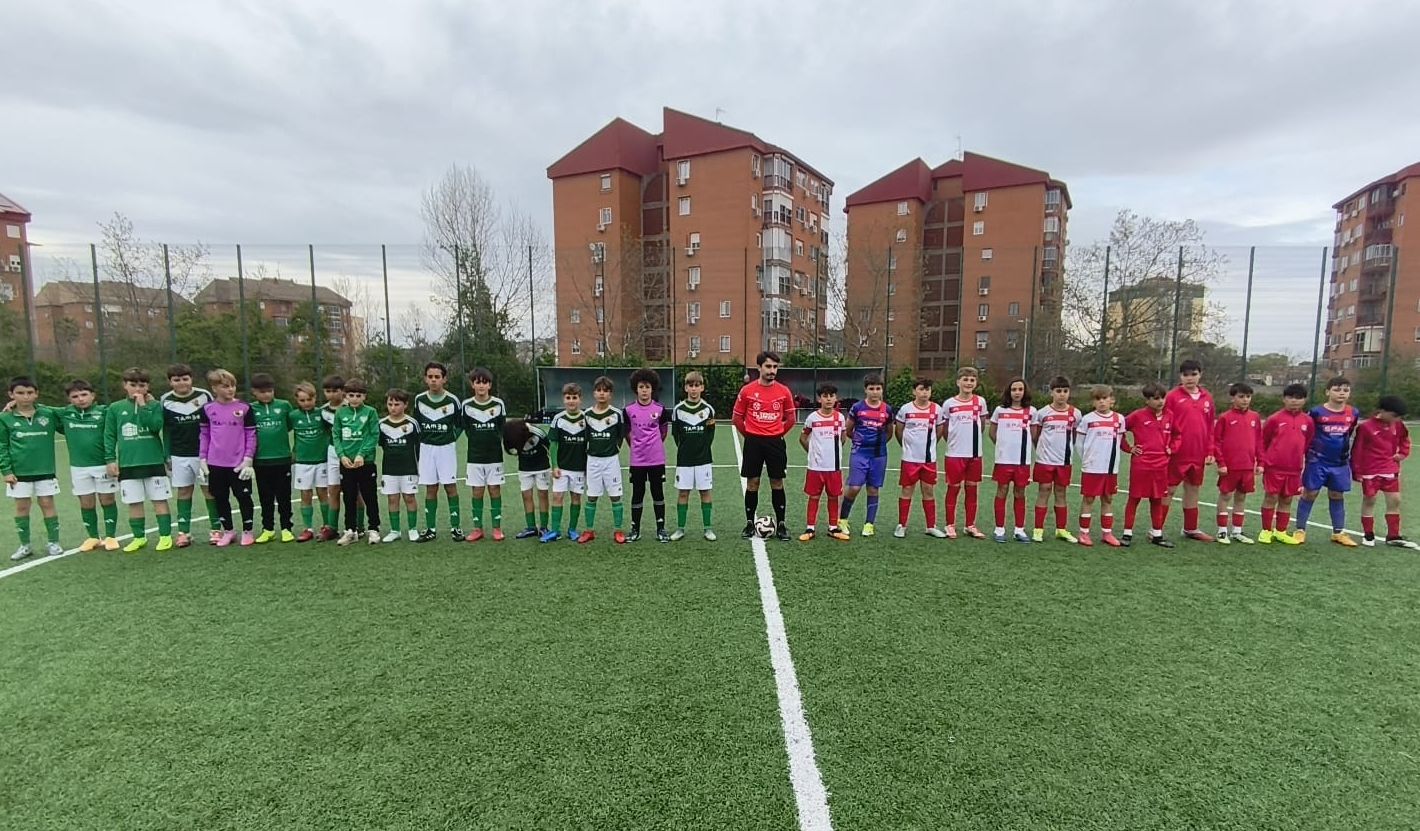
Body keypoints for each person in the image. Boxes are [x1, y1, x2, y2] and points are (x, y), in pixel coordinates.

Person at [104, 368, 174, 553]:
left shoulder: (155, 405)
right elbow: (109, 435)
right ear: (124, 385)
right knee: (134, 502)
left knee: (159, 500)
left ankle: (165, 537)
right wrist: (110, 459)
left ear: (148, 386)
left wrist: (144, 405)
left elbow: (155, 426)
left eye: (141, 385)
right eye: (132, 384)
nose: (137, 388)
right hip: (128, 463)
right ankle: (139, 537)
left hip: (153, 461)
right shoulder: (115, 408)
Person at [733, 351, 796, 541]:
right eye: (768, 367)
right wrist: (751, 435)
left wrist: (776, 434)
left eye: (775, 367)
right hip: (753, 442)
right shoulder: (747, 391)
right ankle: (750, 523)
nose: (772, 371)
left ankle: (782, 524)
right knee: (753, 482)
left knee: (777, 482)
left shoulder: (784, 391)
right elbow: (737, 418)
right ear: (759, 367)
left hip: (775, 442)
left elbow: (791, 419)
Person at [1295, 376, 1361, 547]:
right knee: (1310, 493)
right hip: (1317, 461)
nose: (1341, 393)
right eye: (1337, 390)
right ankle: (1300, 530)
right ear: (1328, 392)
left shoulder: (1353, 413)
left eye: (1345, 390)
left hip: (1339, 462)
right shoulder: (1316, 412)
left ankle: (1338, 532)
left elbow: (1349, 433)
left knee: (1337, 494)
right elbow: (1308, 433)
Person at [1, 377, 63, 560]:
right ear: (11, 394)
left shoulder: (48, 414)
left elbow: (68, 412)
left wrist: (42, 405)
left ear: (37, 394)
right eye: (20, 393)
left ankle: (54, 542)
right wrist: (6, 470)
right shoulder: (5, 418)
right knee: (22, 507)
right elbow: (2, 446)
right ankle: (25, 545)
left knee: (47, 504)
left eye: (30, 393)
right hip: (19, 473)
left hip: (45, 470)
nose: (25, 397)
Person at [58, 380, 120, 551]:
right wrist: (13, 405)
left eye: (84, 394)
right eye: (75, 396)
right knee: (86, 502)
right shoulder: (65, 413)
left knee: (107, 499)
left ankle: (110, 536)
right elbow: (37, 409)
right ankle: (93, 537)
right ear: (69, 399)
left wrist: (111, 460)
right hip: (78, 467)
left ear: (93, 396)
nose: (80, 399)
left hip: (102, 464)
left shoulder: (105, 412)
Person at [199, 369, 257, 547]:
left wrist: (248, 459)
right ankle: (228, 531)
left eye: (232, 385)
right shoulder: (207, 410)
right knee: (220, 498)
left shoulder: (245, 409)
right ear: (214, 388)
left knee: (244, 497)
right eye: (225, 386)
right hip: (216, 463)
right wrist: (203, 459)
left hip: (238, 464)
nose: (230, 389)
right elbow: (204, 434)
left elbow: (251, 435)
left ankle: (248, 531)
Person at [161, 363, 216, 546]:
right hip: (179, 455)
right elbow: (166, 430)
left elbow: (212, 424)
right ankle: (184, 532)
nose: (181, 383)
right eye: (176, 380)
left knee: (209, 490)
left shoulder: (204, 395)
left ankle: (216, 530)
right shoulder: (165, 400)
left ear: (191, 379)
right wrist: (166, 455)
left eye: (185, 379)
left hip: (204, 454)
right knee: (184, 491)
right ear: (170, 382)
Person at [1351, 395, 1415, 548]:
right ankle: (1368, 534)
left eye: (1399, 417)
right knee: (1370, 500)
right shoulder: (1366, 427)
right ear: (1382, 411)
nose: (1397, 419)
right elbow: (1357, 449)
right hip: (1370, 470)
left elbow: (1404, 440)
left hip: (1390, 468)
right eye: (1394, 416)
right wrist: (1357, 471)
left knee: (1395, 500)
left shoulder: (1398, 425)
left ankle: (1393, 535)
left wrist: (1402, 454)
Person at [1164, 359, 1217, 542]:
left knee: (1193, 489)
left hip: (1198, 453)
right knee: (1169, 489)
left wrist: (1210, 450)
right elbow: (1165, 423)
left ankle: (1191, 528)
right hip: (1177, 453)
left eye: (1193, 374)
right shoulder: (1172, 397)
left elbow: (1210, 426)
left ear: (1200, 375)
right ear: (1180, 376)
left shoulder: (1207, 398)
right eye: (1186, 375)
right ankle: (1157, 529)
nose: (1189, 378)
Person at [1121, 383, 1177, 548]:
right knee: (1134, 498)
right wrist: (1129, 448)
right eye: (1156, 398)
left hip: (1161, 466)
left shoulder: (1170, 416)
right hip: (1141, 465)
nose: (1161, 401)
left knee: (1157, 499)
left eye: (1163, 398)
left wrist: (1171, 448)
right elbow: (1118, 429)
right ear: (1147, 400)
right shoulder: (1138, 416)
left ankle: (1157, 534)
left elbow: (1178, 435)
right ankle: (1127, 533)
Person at [413, 362, 463, 542]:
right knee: (431, 488)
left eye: (437, 377)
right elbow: (417, 425)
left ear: (444, 379)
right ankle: (430, 529)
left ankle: (456, 528)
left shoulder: (452, 400)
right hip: (426, 449)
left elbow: (459, 425)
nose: (434, 380)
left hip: (446, 449)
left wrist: (448, 439)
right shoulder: (419, 399)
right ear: (425, 378)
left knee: (451, 487)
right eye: (430, 377)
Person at [839, 374, 892, 537]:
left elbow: (889, 432)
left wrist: (879, 443)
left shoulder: (887, 409)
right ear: (865, 390)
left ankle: (869, 524)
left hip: (879, 454)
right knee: (854, 487)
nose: (875, 392)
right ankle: (842, 520)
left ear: (882, 390)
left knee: (873, 489)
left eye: (878, 389)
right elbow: (848, 430)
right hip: (860, 453)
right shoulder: (857, 408)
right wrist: (859, 441)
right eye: (871, 389)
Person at [1258, 383, 1311, 545]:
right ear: (1284, 399)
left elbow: (1307, 442)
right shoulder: (1275, 419)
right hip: (1274, 466)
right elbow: (1263, 441)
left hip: (1294, 468)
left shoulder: (1307, 421)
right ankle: (1266, 531)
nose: (1294, 401)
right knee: (1271, 497)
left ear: (1304, 400)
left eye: (1298, 398)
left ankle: (1281, 531)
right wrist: (1265, 461)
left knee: (1287, 499)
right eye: (1290, 397)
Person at [941, 366, 990, 539]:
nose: (968, 383)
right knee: (953, 489)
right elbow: (945, 428)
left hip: (975, 454)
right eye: (965, 379)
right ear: (958, 382)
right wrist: (955, 443)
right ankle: (950, 524)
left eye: (972, 380)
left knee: (972, 489)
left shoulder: (980, 402)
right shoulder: (949, 404)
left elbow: (982, 425)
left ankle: (970, 525)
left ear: (976, 383)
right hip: (955, 454)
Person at [1076, 384, 1126, 548]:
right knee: (1089, 498)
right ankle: (1084, 533)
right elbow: (1079, 443)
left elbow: (1120, 441)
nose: (1102, 402)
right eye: (1098, 399)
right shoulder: (1088, 419)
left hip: (1111, 467)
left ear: (1112, 400)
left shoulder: (1119, 419)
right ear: (1093, 402)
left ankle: (1107, 533)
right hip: (1092, 467)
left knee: (1108, 498)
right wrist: (1086, 460)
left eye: (1105, 398)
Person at [1030, 376, 1080, 543]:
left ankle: (1061, 529)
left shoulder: (1075, 413)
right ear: (1051, 392)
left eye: (1065, 391)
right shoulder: (1042, 413)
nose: (1062, 395)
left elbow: (1075, 437)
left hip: (1064, 461)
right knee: (1043, 490)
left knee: (1061, 493)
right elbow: (1035, 436)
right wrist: (1042, 451)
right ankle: (1038, 529)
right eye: (1058, 391)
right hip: (1045, 460)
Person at [1213, 382, 1263, 545]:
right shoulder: (1225, 417)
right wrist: (1221, 463)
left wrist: (1260, 461)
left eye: (1248, 397)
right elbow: (1217, 441)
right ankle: (1221, 531)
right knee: (1226, 495)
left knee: (1241, 497)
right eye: (1241, 397)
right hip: (1229, 466)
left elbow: (1258, 441)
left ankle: (1237, 531)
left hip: (1247, 466)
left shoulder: (1255, 417)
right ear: (1233, 397)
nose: (1245, 400)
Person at [625, 368, 672, 542]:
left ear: (653, 389)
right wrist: (638, 447)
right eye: (641, 387)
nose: (644, 390)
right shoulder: (629, 410)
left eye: (647, 387)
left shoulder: (660, 409)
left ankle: (661, 528)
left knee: (657, 492)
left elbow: (664, 431)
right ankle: (635, 529)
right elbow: (627, 433)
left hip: (656, 459)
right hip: (637, 460)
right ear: (635, 389)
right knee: (637, 493)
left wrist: (653, 446)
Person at [894, 378, 943, 538]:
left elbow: (939, 431)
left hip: (929, 459)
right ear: (914, 391)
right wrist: (908, 447)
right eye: (921, 389)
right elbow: (899, 431)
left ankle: (931, 526)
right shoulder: (905, 409)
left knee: (928, 491)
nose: (924, 393)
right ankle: (902, 525)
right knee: (907, 490)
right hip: (910, 459)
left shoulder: (937, 409)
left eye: (927, 390)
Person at [799, 383, 850, 541]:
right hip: (815, 467)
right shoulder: (812, 418)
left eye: (831, 396)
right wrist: (813, 452)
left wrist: (833, 452)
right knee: (814, 497)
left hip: (833, 466)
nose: (828, 399)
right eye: (825, 396)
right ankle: (810, 528)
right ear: (819, 399)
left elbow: (843, 438)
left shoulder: (840, 418)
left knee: (833, 497)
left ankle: (833, 528)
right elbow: (802, 438)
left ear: (836, 398)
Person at [334, 378, 381, 546]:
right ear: (346, 396)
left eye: (358, 395)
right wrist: (342, 456)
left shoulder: (370, 412)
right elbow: (336, 435)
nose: (354, 398)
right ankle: (350, 530)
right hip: (347, 464)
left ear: (364, 397)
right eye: (351, 395)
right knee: (349, 497)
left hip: (365, 463)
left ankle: (374, 529)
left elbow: (374, 435)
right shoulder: (340, 413)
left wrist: (362, 454)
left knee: (370, 496)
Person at [461, 367, 507, 542]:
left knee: (495, 490)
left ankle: (497, 528)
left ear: (490, 385)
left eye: (484, 382)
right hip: (475, 456)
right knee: (477, 491)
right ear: (472, 384)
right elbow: (466, 428)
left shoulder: (498, 404)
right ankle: (477, 528)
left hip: (494, 455)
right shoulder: (466, 405)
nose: (481, 385)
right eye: (477, 382)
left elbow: (501, 427)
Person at [670, 371, 716, 541]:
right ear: (686, 388)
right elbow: (676, 435)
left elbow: (710, 434)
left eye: (697, 385)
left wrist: (702, 449)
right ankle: (680, 529)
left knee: (705, 492)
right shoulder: (678, 410)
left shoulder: (708, 409)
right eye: (691, 385)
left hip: (703, 459)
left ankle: (708, 529)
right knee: (683, 493)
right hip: (684, 460)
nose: (694, 389)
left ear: (702, 388)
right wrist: (684, 449)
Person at [249, 373, 295, 543]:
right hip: (260, 460)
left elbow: (290, 426)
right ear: (254, 392)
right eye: (262, 392)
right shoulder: (251, 409)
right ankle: (268, 528)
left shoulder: (284, 406)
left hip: (282, 458)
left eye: (269, 391)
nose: (266, 394)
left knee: (284, 496)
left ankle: (286, 528)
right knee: (265, 497)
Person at [581, 376, 627, 545]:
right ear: (594, 393)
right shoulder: (586, 415)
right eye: (599, 390)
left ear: (610, 394)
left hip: (611, 461)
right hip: (592, 460)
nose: (602, 394)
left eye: (605, 391)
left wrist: (613, 450)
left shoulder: (617, 414)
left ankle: (618, 530)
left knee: (615, 496)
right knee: (591, 496)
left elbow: (620, 437)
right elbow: (585, 438)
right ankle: (589, 530)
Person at [989, 378, 1034, 544]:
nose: (1017, 392)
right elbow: (992, 433)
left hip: (1022, 461)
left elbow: (1034, 434)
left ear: (1024, 392)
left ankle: (1019, 530)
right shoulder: (1000, 410)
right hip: (1004, 460)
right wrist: (1003, 446)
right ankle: (999, 529)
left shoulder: (1031, 411)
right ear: (1009, 391)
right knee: (1002, 491)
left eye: (1020, 389)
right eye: (1014, 389)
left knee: (1020, 493)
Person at [542, 383, 588, 543]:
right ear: (564, 399)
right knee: (557, 496)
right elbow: (553, 444)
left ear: (580, 399)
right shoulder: (558, 419)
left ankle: (572, 530)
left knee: (576, 497)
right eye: (568, 398)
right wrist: (554, 465)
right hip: (561, 467)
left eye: (574, 398)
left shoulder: (586, 418)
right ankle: (555, 530)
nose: (571, 401)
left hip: (579, 468)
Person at [289, 382, 331, 542]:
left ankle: (327, 525)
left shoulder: (322, 414)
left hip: (322, 460)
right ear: (296, 400)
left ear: (315, 398)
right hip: (302, 462)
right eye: (302, 400)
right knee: (305, 494)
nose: (306, 403)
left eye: (309, 399)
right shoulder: (293, 416)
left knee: (322, 493)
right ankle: (308, 528)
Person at [379, 388, 421, 543]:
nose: (393, 407)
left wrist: (419, 467)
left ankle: (412, 529)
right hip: (389, 469)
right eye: (390, 404)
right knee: (392, 499)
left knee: (409, 498)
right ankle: (395, 530)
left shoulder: (412, 424)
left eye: (397, 404)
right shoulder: (382, 424)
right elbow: (382, 445)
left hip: (408, 468)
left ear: (405, 405)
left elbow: (418, 446)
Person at [504, 417, 551, 539]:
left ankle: (544, 527)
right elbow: (509, 449)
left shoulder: (537, 432)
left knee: (543, 494)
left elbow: (549, 445)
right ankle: (531, 527)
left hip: (542, 466)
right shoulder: (509, 434)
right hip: (524, 468)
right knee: (526, 495)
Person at [319, 375, 349, 539]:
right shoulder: (323, 411)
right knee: (333, 489)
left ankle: (358, 526)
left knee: (354, 491)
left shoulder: (351, 407)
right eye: (328, 391)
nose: (331, 394)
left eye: (335, 391)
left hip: (351, 450)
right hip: (333, 452)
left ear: (342, 392)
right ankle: (332, 527)